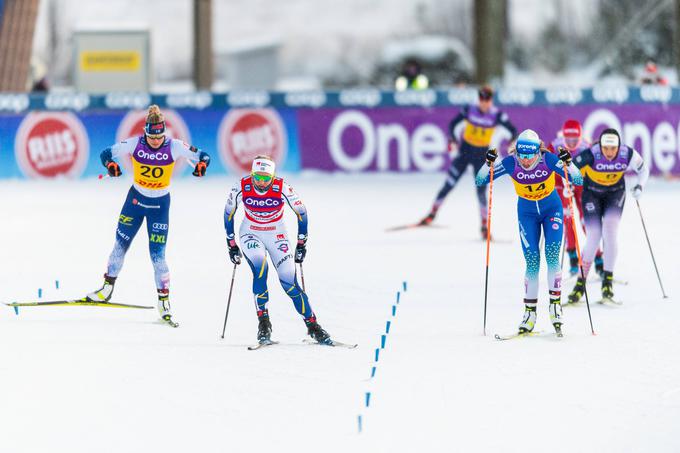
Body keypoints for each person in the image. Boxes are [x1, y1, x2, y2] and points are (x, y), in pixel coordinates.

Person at [86, 105, 210, 327]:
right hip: (134, 202)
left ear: (164, 133)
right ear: (145, 133)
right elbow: (106, 153)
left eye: (159, 137)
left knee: (158, 257)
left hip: (159, 206)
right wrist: (111, 165)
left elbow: (204, 155)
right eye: (151, 137)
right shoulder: (135, 143)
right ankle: (106, 289)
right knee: (119, 246)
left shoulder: (175, 146)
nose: (155, 141)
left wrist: (202, 165)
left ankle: (164, 303)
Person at [475, 129, 583, 335]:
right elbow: (481, 181)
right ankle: (529, 313)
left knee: (552, 257)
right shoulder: (510, 162)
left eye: (529, 156)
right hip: (527, 214)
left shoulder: (548, 159)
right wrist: (487, 163)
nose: (525, 161)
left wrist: (569, 163)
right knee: (532, 262)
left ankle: (555, 307)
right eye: (521, 156)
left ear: (537, 152)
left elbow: (577, 180)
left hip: (552, 209)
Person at [224, 155, 333, 345]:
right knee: (261, 269)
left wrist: (301, 243)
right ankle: (264, 323)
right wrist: (231, 244)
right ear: (252, 174)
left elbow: (302, 212)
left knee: (289, 282)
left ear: (273, 177)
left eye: (266, 178)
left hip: (277, 235)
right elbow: (228, 213)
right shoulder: (241, 186)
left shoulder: (282, 188)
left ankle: (313, 325)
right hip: (251, 233)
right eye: (257, 177)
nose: (261, 182)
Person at [420, 85, 517, 238]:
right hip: (465, 153)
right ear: (478, 99)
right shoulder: (469, 109)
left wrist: (512, 140)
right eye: (481, 99)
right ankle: (431, 214)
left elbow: (513, 129)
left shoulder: (497, 115)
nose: (484, 103)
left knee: (481, 190)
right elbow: (453, 124)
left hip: (481, 155)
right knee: (449, 184)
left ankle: (484, 226)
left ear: (491, 100)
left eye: (487, 99)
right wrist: (452, 139)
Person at [567, 128, 649, 304]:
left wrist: (640, 186)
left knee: (610, 233)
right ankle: (580, 284)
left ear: (619, 147)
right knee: (594, 236)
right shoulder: (591, 154)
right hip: (592, 195)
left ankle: (607, 283)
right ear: (600, 146)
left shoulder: (628, 154)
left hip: (615, 194)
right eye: (606, 148)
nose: (610, 152)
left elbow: (644, 170)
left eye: (613, 148)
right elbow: (570, 167)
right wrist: (570, 184)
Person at [547, 119, 603, 276]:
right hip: (560, 182)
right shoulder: (555, 145)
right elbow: (547, 165)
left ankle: (598, 257)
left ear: (581, 137)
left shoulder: (586, 146)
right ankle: (572, 255)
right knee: (566, 216)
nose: (571, 143)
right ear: (563, 136)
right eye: (568, 139)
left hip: (580, 183)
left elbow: (593, 168)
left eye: (575, 139)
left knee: (587, 219)